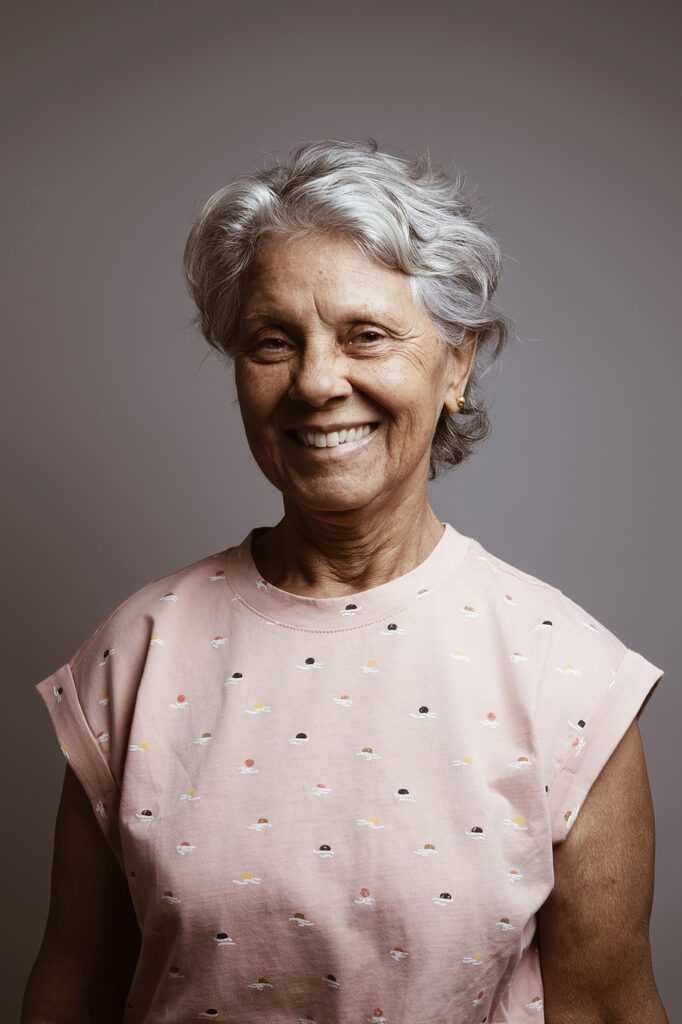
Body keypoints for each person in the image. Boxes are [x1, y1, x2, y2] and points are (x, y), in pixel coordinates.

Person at [23, 139, 667, 1024]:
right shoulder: (133, 657)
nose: (318, 382)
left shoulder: (571, 682)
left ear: (456, 364)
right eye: (271, 342)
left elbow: (602, 1008)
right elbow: (75, 991)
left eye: (366, 334)